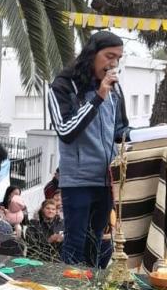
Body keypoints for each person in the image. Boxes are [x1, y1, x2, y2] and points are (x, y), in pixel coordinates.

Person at [47, 31, 131, 267]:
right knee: (75, 244)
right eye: (109, 56)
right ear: (92, 54)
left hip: (106, 180)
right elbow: (65, 130)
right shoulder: (63, 86)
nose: (113, 63)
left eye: (118, 58)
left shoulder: (115, 89)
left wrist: (151, 135)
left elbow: (120, 130)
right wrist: (98, 97)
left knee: (97, 244)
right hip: (78, 181)